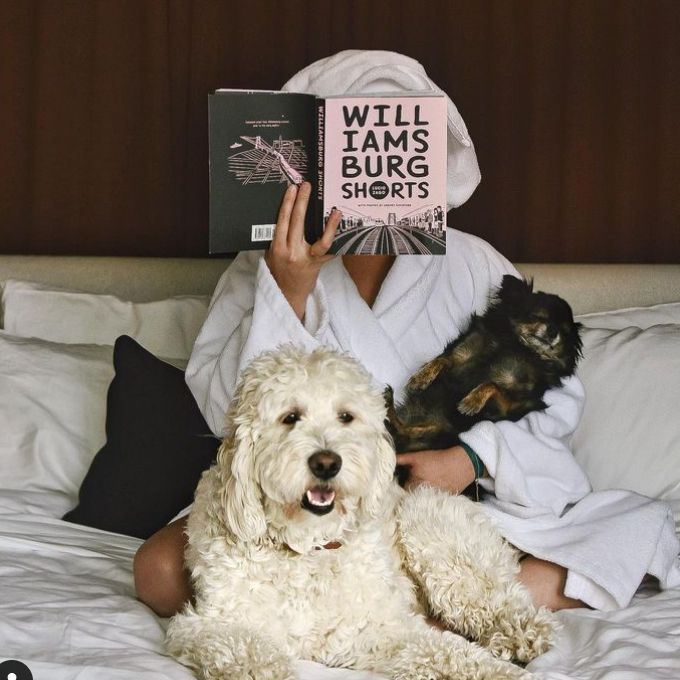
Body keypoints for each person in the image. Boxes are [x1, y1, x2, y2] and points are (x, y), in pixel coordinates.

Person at [134, 50, 680, 619]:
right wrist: (287, 291)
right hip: (306, 503)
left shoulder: (474, 264)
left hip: (443, 507)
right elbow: (224, 413)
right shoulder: (266, 264)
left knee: (631, 535)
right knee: (161, 572)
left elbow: (555, 397)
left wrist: (471, 459)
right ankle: (420, 606)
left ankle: (380, 606)